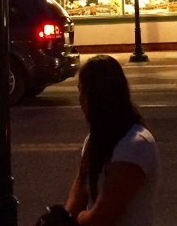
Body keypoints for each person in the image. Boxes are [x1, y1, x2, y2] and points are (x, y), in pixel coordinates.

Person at [65, 55, 158, 226]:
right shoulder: (94, 139)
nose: (80, 99)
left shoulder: (135, 144)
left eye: (83, 91)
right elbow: (79, 192)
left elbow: (101, 218)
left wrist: (77, 218)